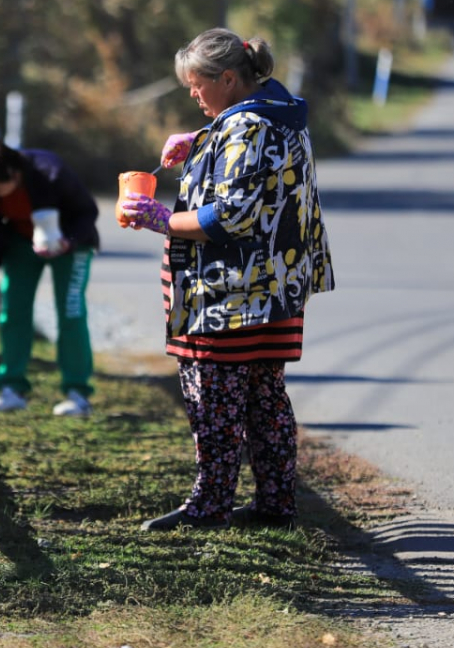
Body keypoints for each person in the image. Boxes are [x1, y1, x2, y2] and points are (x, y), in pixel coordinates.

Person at [119, 28, 334, 530]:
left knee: (213, 400)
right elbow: (259, 173)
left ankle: (210, 506)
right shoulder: (279, 113)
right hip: (276, 288)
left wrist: (160, 218)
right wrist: (200, 140)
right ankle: (276, 504)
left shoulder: (245, 130)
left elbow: (231, 216)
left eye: (197, 85)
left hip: (230, 295)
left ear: (229, 77)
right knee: (265, 399)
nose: (193, 95)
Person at [0, 140, 100, 417]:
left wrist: (67, 242)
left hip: (69, 242)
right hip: (21, 242)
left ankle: (78, 393)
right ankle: (11, 389)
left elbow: (88, 212)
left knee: (70, 313)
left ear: (16, 176)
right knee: (13, 313)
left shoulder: (52, 173)